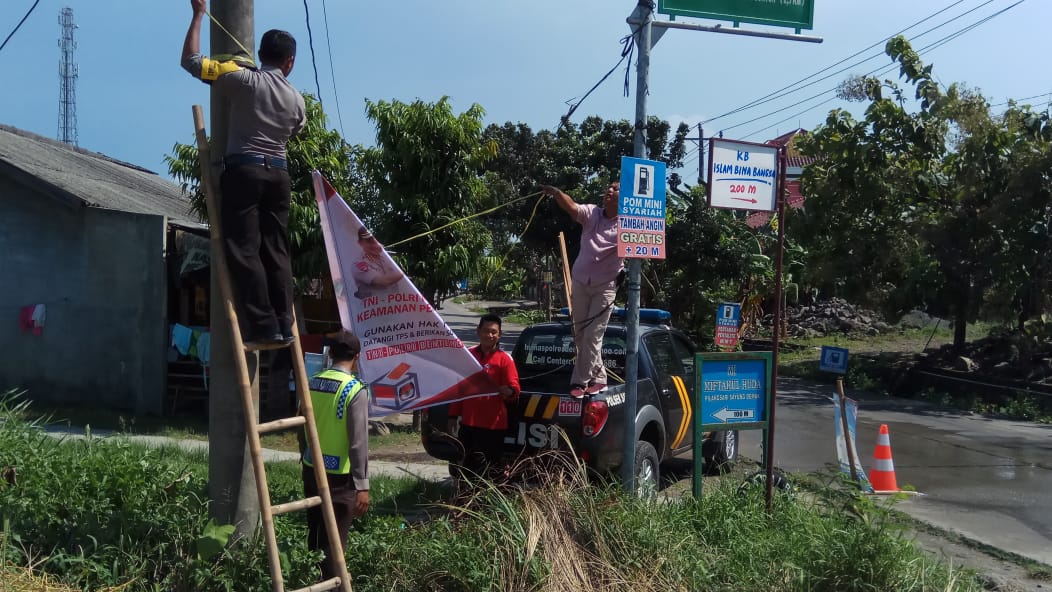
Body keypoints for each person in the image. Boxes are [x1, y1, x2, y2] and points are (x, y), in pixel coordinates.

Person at [181, 0, 307, 351]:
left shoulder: (242, 80)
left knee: (244, 249)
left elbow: (190, 61)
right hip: (279, 174)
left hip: (245, 170)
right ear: (289, 62)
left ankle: (264, 327)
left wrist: (198, 15)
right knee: (276, 250)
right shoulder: (297, 99)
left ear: (261, 54)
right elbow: (295, 129)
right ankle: (285, 322)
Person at [541, 182, 624, 398]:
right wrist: (558, 192)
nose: (609, 191)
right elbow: (572, 206)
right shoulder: (592, 213)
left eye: (615, 189)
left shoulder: (628, 225)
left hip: (605, 287)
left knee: (592, 336)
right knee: (580, 335)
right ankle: (600, 378)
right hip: (580, 282)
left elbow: (645, 244)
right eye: (609, 188)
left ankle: (579, 382)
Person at [301, 331, 369, 581]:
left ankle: (313, 580)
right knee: (335, 542)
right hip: (340, 478)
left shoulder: (312, 381)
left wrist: (305, 454)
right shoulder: (354, 389)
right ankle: (333, 586)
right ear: (357, 357)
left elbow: (301, 426)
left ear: (330, 354)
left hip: (311, 468)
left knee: (316, 534)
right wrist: (362, 485)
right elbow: (358, 443)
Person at [447, 314, 520, 482]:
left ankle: (487, 506)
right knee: (465, 469)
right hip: (468, 424)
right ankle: (464, 504)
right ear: (478, 332)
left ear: (499, 335)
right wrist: (452, 416)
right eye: (486, 331)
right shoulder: (468, 356)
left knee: (491, 471)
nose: (490, 335)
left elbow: (515, 388)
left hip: (493, 426)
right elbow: (459, 389)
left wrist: (508, 391)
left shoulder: (505, 359)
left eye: (494, 332)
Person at [351, 226, 404, 299]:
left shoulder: (384, 258)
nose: (373, 245)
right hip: (375, 309)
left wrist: (382, 253)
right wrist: (400, 274)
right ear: (360, 243)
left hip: (396, 306)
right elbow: (383, 281)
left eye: (374, 241)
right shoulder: (358, 264)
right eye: (369, 242)